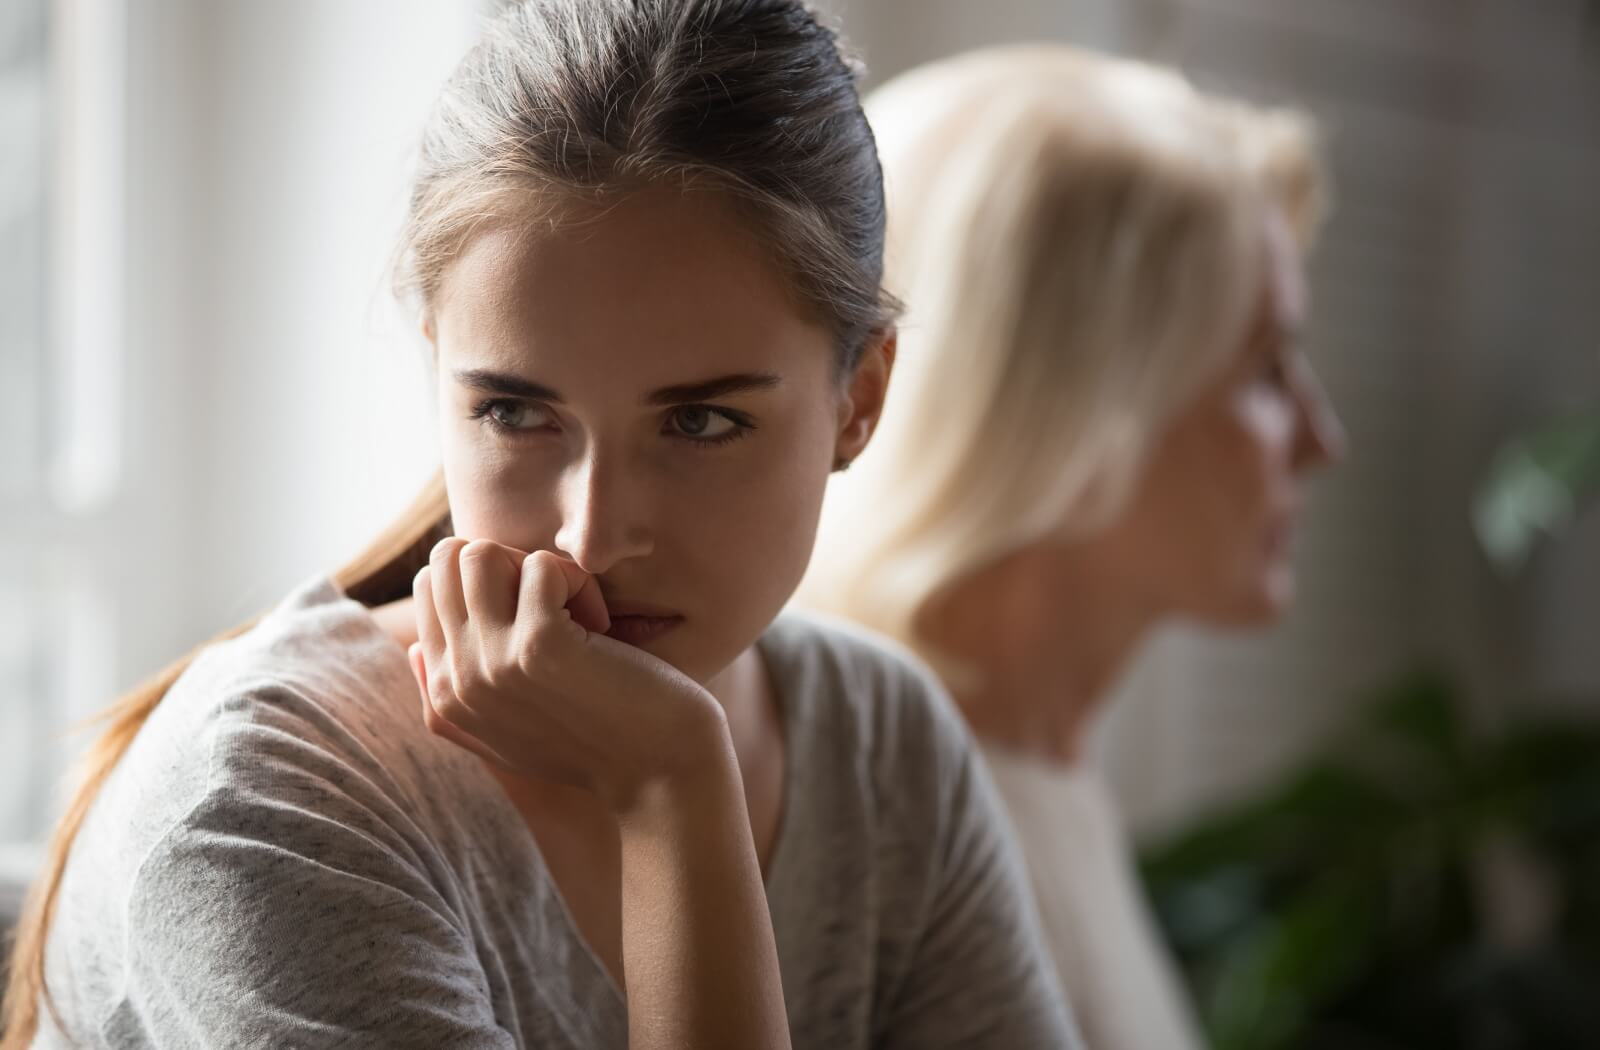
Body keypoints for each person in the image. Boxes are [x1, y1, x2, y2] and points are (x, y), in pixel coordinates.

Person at [1, 6, 1079, 1049]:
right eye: (514, 412)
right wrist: (672, 792)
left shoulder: (878, 744)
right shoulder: (266, 804)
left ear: (860, 400)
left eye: (701, 421)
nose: (593, 538)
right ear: (439, 372)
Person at [799, 45, 1347, 1050]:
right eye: (1267, 369)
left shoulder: (1036, 768)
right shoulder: (877, 819)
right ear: (1080, 406)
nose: (1321, 441)